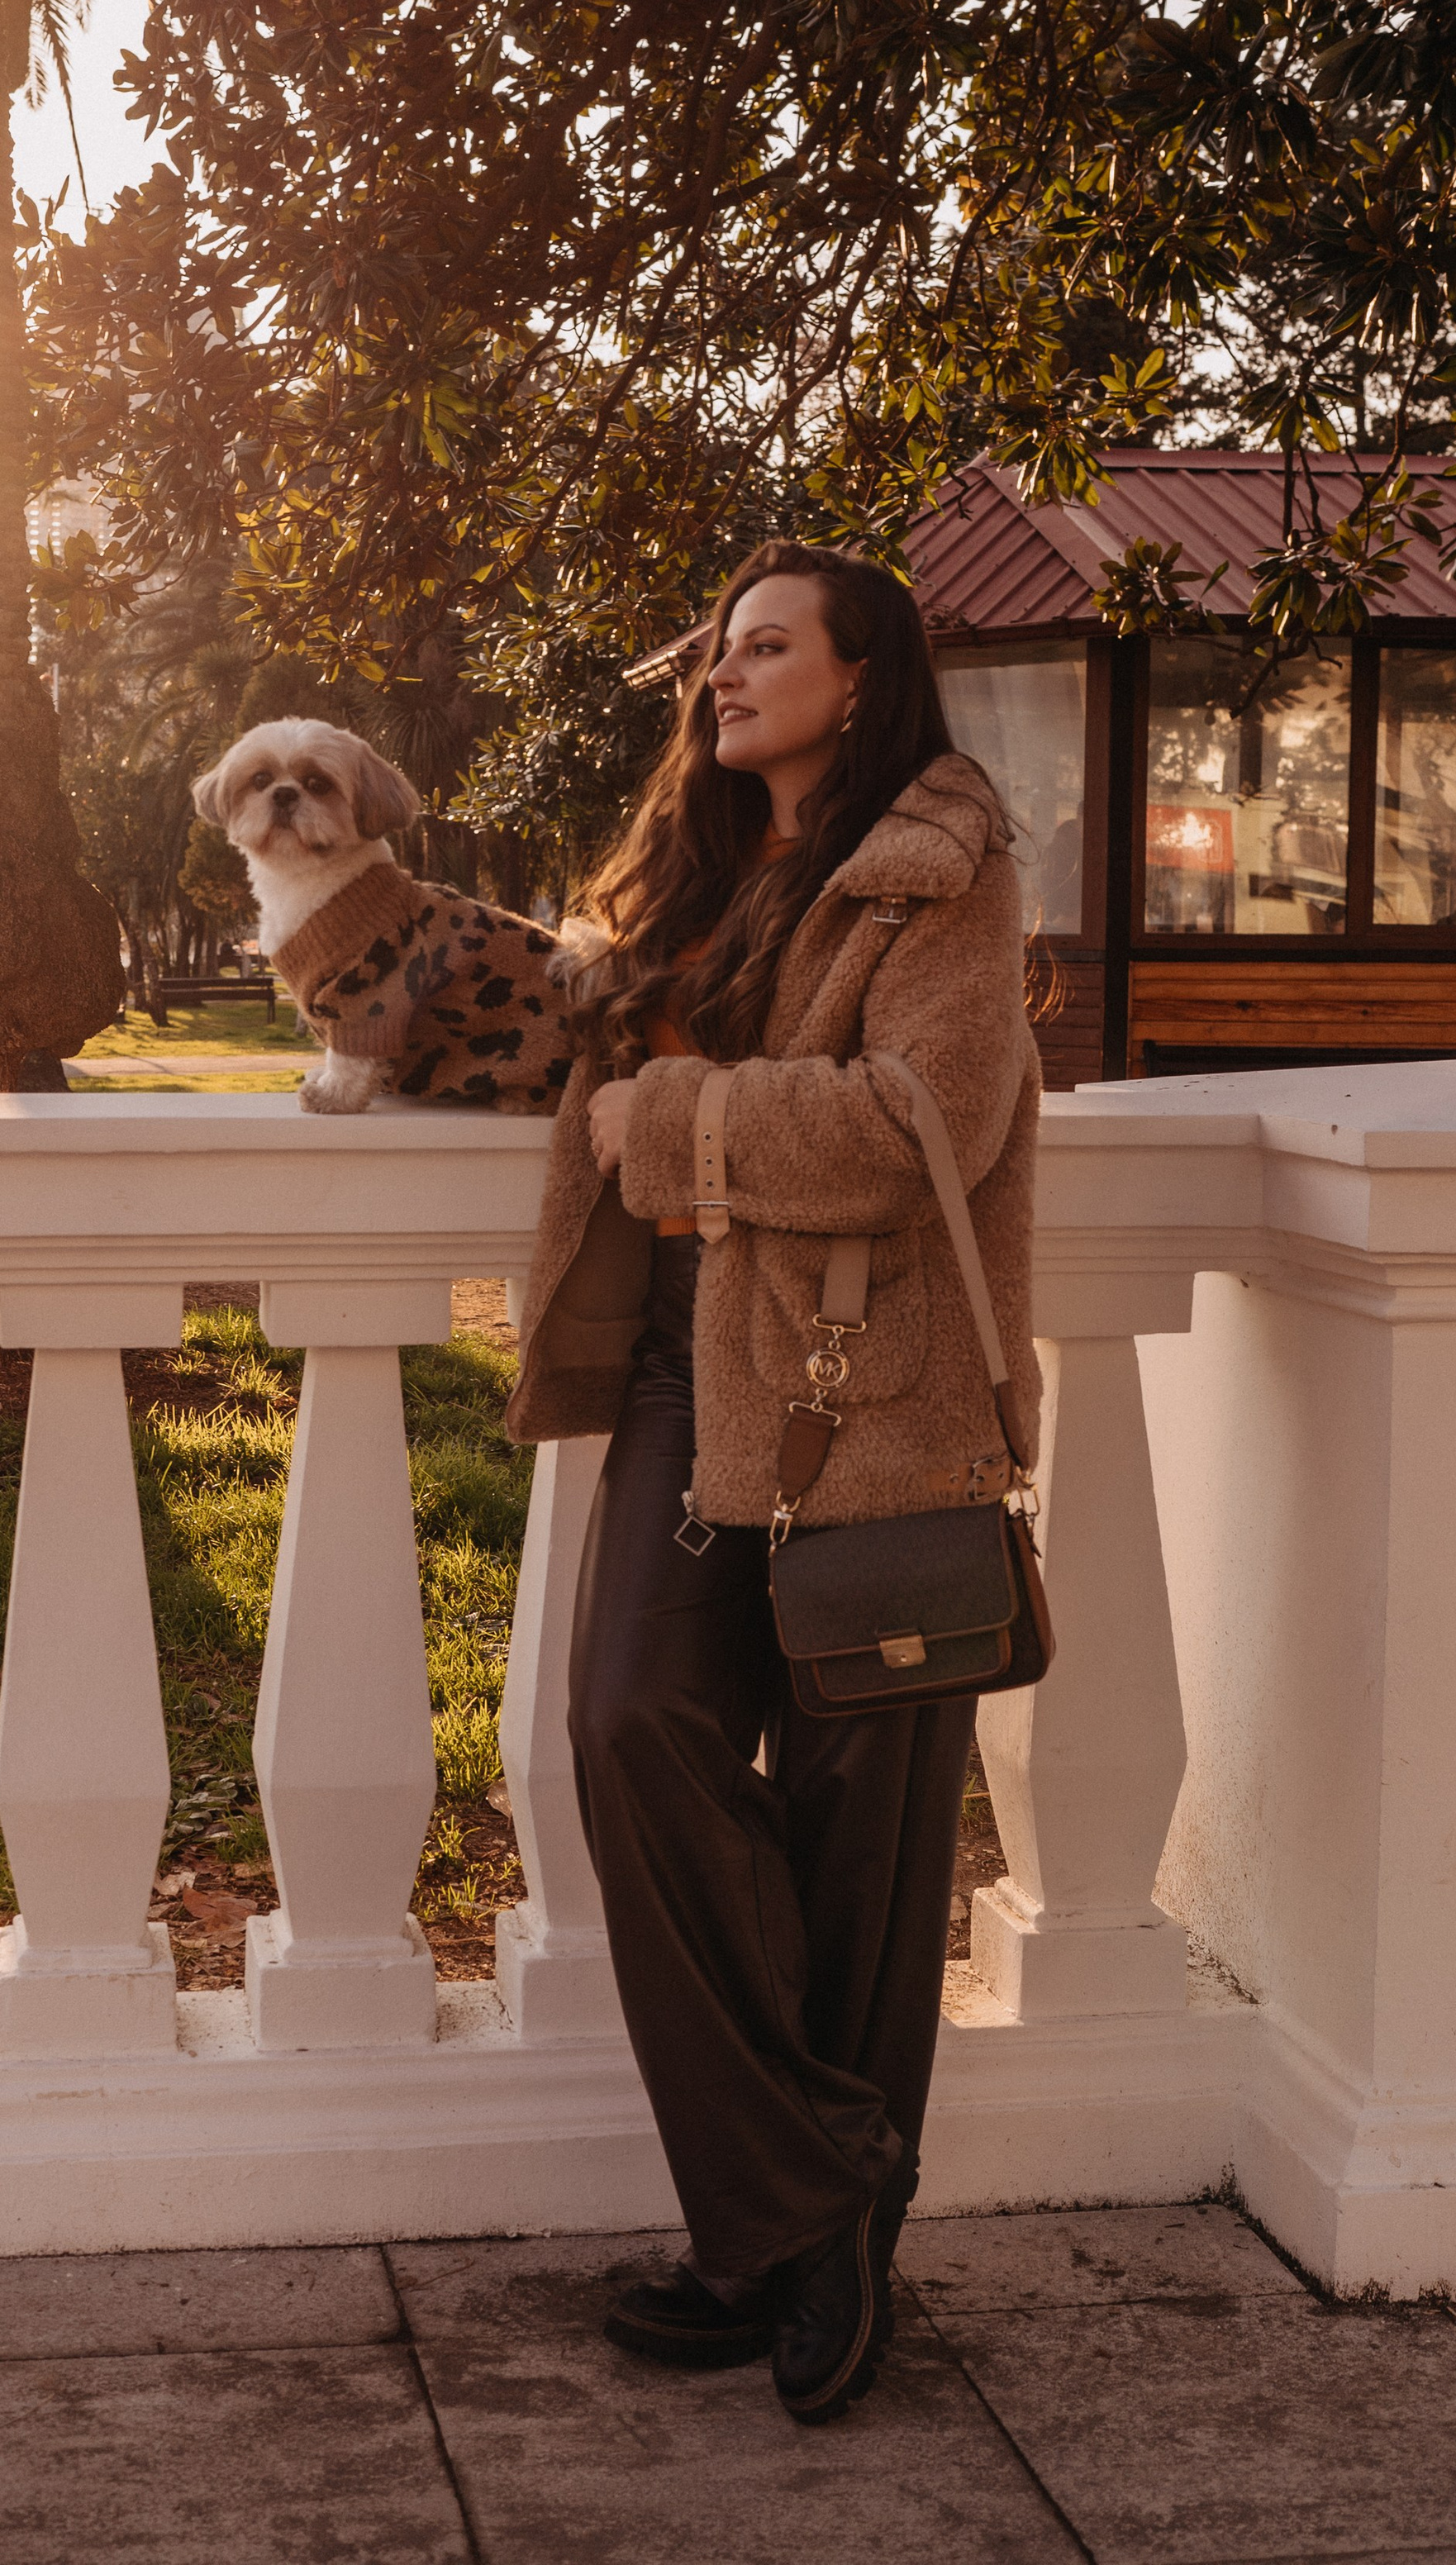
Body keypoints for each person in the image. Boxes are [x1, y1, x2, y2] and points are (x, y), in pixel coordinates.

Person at [507, 540, 1040, 2429]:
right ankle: (822, 2177)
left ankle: (786, 2249)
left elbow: (924, 1122)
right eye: (715, 648)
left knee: (858, 1829)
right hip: (678, 1367)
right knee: (627, 1721)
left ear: (858, 674)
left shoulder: (937, 872)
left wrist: (671, 1123)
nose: (720, 675)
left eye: (763, 647)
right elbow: (590, 1081)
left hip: (856, 1391)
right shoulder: (688, 868)